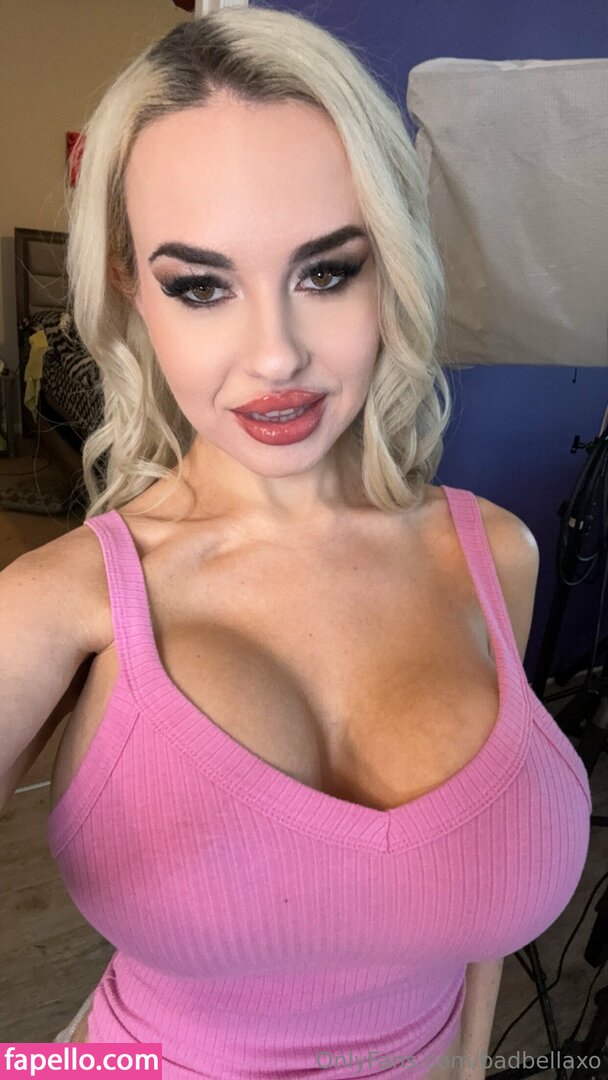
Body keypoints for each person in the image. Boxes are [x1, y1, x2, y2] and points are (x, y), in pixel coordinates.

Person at [2, 8, 591, 1078]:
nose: (275, 354)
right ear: (131, 287)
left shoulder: (494, 554)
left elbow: (475, 958)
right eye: (201, 285)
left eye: (326, 272)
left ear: (388, 264)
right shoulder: (57, 604)